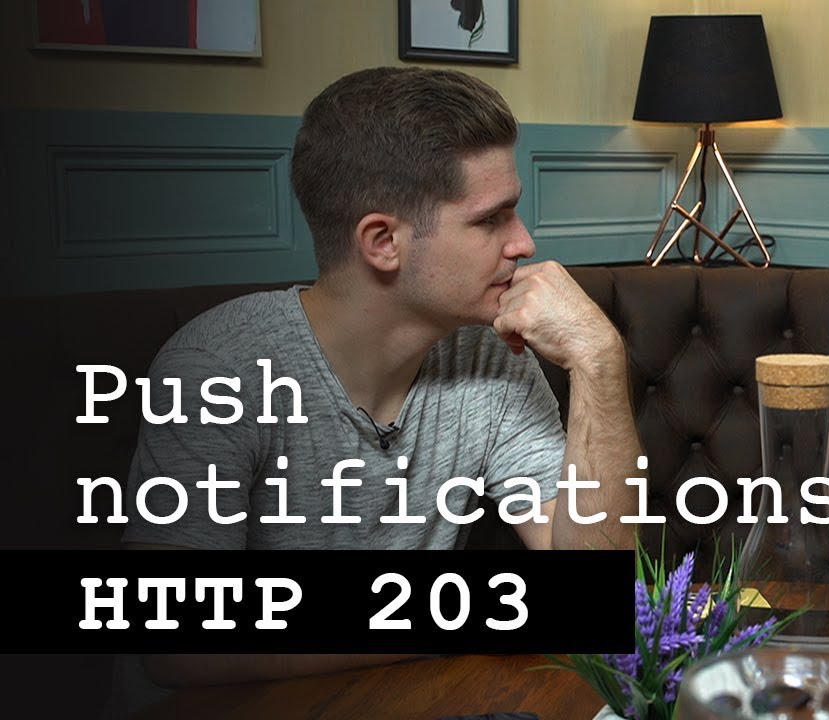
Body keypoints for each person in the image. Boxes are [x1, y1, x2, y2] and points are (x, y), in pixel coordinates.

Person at [112, 67, 644, 698]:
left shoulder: (490, 351)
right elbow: (175, 648)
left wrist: (598, 360)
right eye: (491, 219)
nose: (524, 242)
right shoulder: (218, 368)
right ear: (383, 241)